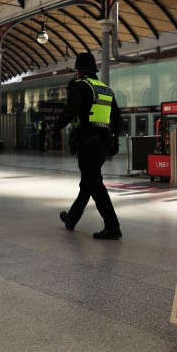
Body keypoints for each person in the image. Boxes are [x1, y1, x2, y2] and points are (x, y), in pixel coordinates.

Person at [54, 52, 122, 239]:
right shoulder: (105, 89)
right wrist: (116, 139)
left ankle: (112, 226)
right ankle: (72, 218)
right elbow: (116, 117)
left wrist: (56, 127)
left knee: (94, 184)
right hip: (102, 144)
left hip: (87, 142)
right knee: (88, 183)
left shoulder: (81, 86)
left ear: (80, 71)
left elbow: (71, 110)